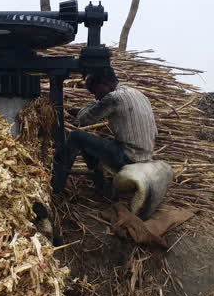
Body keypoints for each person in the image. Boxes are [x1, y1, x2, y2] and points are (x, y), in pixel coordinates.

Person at [52, 66, 157, 198]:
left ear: (105, 83)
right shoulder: (139, 94)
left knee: (76, 136)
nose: (96, 97)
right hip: (145, 157)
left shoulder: (113, 98)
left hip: (128, 158)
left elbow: (84, 119)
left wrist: (82, 108)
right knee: (91, 142)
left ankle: (56, 186)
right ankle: (103, 187)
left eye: (96, 92)